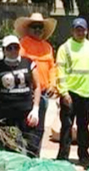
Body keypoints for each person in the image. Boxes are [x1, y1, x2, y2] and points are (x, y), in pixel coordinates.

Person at [0, 35, 41, 156]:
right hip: (6, 112)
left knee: (31, 144)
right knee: (9, 145)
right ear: (4, 50)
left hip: (26, 111)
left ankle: (33, 169)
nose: (13, 50)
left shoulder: (28, 63)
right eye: (9, 48)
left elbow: (37, 86)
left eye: (16, 47)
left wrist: (36, 108)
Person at [56, 18, 89, 167]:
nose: (80, 32)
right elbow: (60, 71)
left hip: (86, 94)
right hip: (70, 93)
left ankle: (84, 156)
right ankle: (62, 157)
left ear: (87, 30)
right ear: (72, 30)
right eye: (77, 29)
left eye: (82, 29)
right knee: (67, 127)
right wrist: (63, 93)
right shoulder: (65, 48)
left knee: (83, 127)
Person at [15, 12, 58, 157]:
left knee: (39, 129)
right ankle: (24, 158)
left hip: (44, 94)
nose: (38, 30)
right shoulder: (22, 45)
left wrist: (53, 84)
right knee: (25, 128)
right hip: (27, 94)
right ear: (28, 29)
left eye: (40, 27)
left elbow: (52, 67)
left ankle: (35, 158)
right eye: (34, 27)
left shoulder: (47, 47)